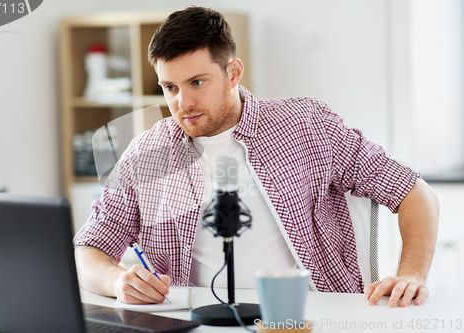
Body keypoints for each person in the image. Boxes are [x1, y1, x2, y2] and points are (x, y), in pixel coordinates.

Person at [74, 6, 439, 308]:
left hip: (307, 316)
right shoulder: (148, 152)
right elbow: (88, 249)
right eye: (170, 87)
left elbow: (414, 192)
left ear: (233, 73)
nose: (182, 104)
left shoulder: (306, 125)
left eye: (197, 82)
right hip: (196, 319)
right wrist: (117, 280)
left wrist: (411, 273)